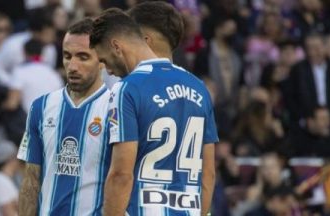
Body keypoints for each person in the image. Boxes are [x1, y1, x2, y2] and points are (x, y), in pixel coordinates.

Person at [90, 9, 217, 216]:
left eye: (104, 60)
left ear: (116, 46)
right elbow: (208, 173)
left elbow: (121, 174)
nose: (107, 70)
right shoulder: (199, 88)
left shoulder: (127, 88)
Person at [17, 18, 112, 216]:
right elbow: (31, 179)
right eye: (67, 56)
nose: (72, 66)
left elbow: (124, 179)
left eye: (83, 57)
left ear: (103, 60)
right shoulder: (40, 107)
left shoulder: (117, 108)